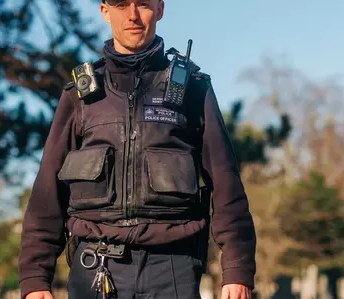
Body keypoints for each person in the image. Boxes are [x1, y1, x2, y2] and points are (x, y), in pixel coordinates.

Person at [17, 0, 256, 298]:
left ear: (160, 8)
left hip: (173, 268)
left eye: (142, 3)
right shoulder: (79, 97)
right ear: (105, 11)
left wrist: (237, 269)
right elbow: (47, 191)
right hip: (95, 267)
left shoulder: (194, 90)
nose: (132, 15)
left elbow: (226, 184)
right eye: (120, 4)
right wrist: (35, 278)